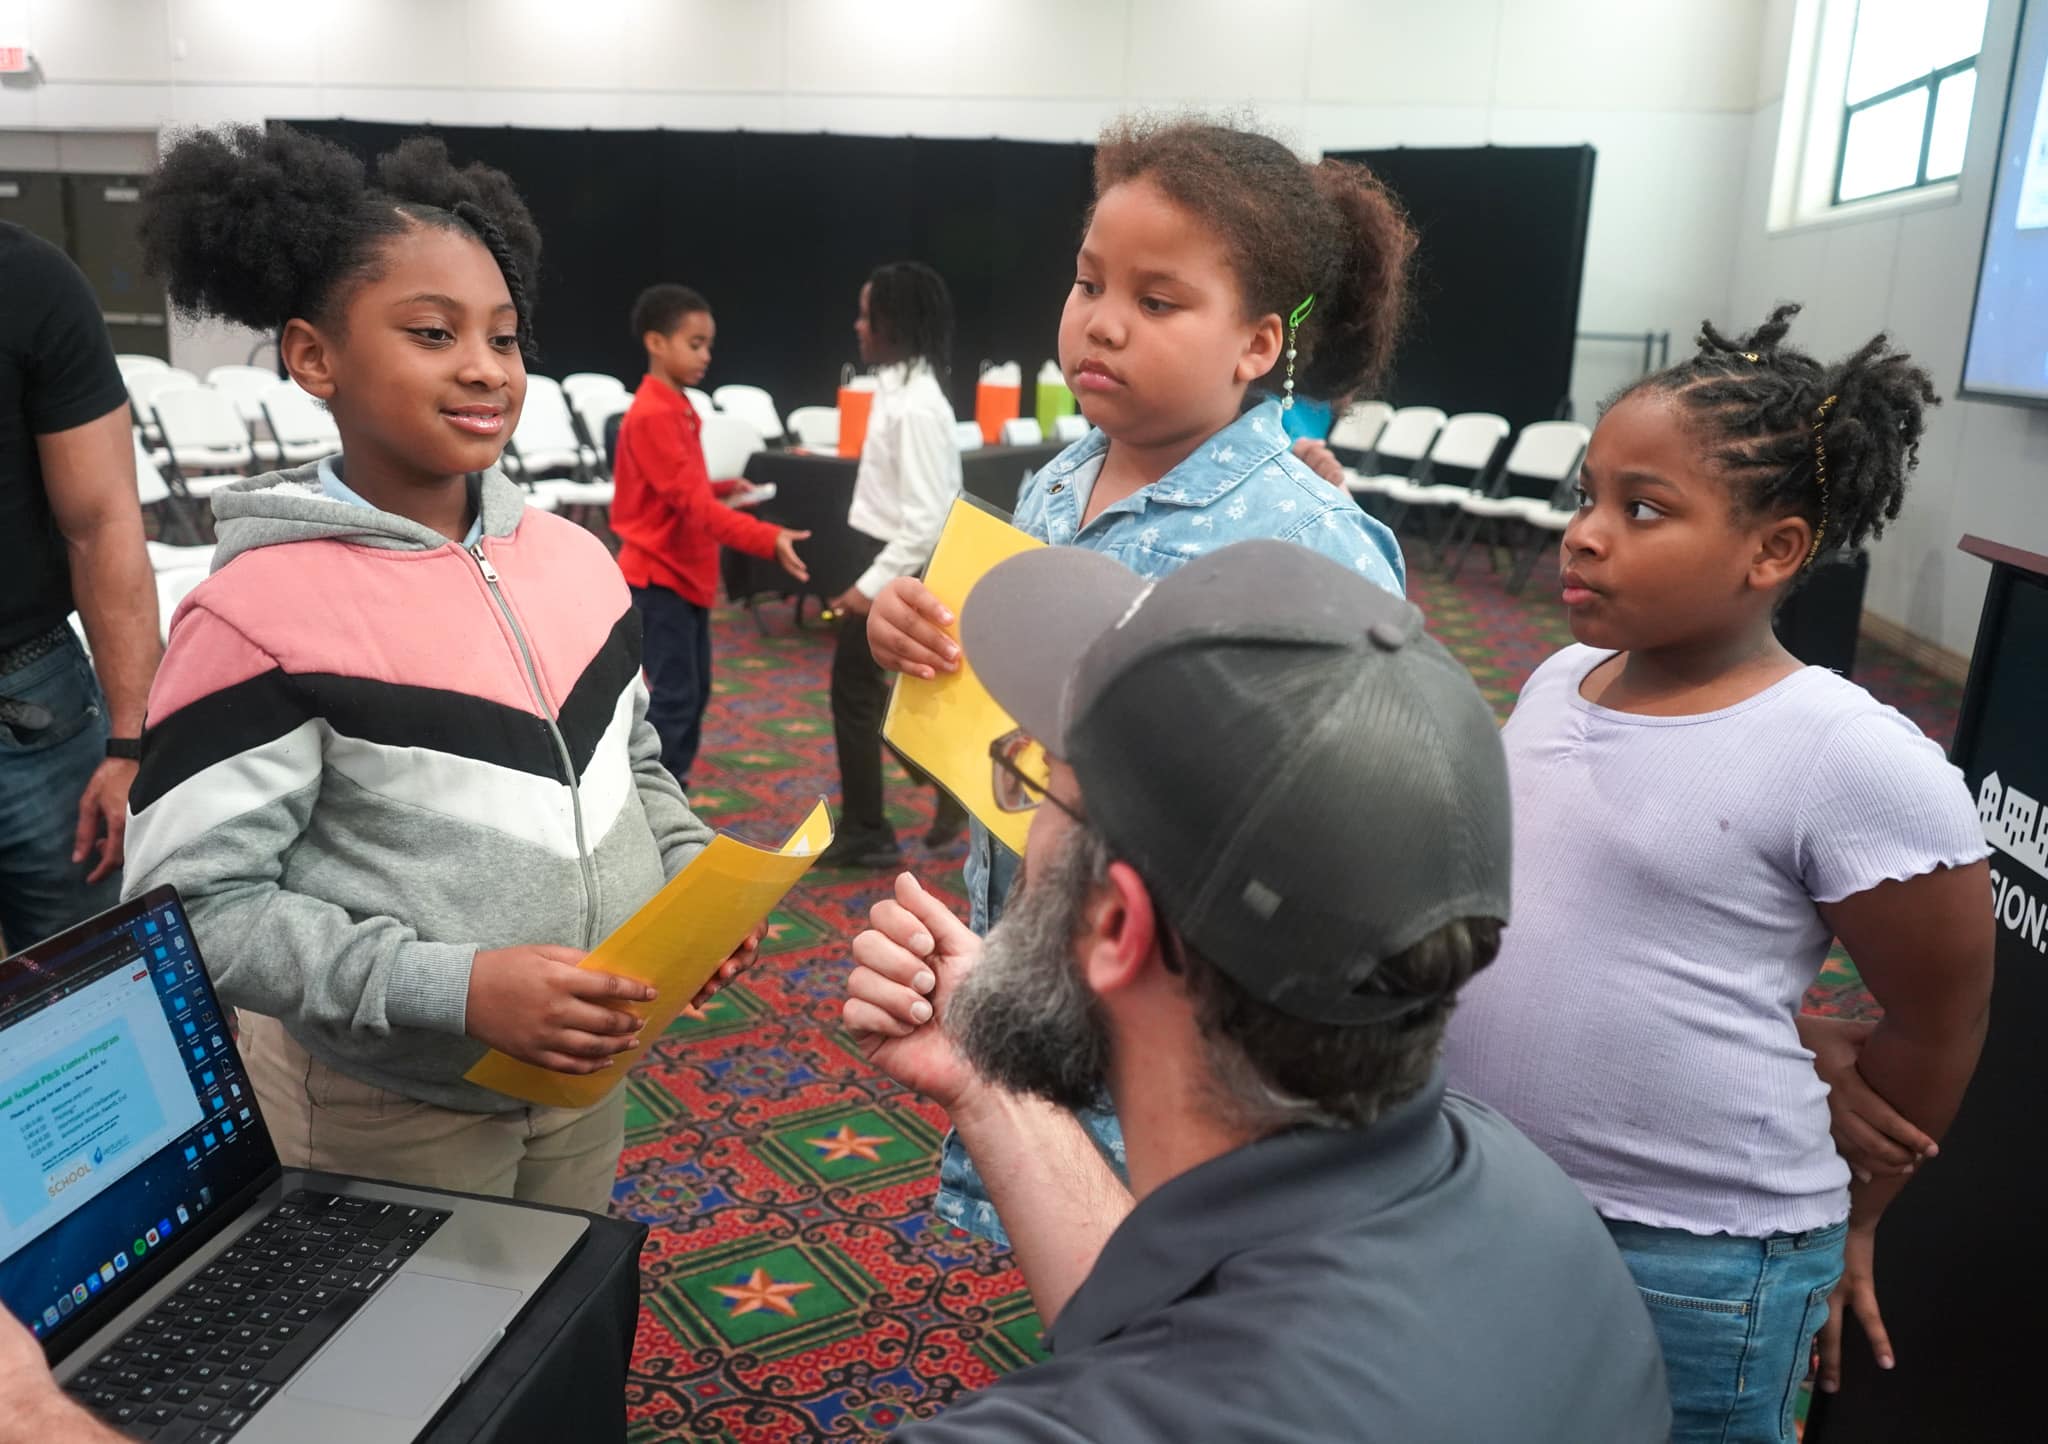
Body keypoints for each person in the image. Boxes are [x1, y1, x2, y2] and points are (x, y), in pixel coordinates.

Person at [843, 539, 1671, 1440]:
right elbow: (1174, 1324)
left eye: (1042, 778)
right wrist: (990, 1085)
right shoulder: (1527, 1199)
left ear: (1118, 927)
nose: (1026, 816)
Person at [121, 125, 757, 1213]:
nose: (482, 367)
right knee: (404, 1378)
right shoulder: (259, 612)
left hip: (580, 1071)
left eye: (505, 339)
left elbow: (633, 763)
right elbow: (198, 905)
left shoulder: (574, 561)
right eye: (431, 331)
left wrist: (694, 874)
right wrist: (454, 989)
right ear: (314, 357)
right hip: (382, 1106)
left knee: (546, 1344)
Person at [1440, 305, 1994, 1444]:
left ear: (1774, 549)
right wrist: (1793, 1029)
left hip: (1694, 1254)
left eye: (1640, 509)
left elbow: (1938, 1017)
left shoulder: (1847, 751)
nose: (1584, 534)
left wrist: (1860, 1209)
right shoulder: (1556, 678)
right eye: (1584, 496)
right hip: (1490, 1192)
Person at [862, 118, 1413, 1242]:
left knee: (1169, 1302)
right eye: (1086, 281)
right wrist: (920, 633)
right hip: (1030, 962)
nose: (1099, 321)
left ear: (1256, 345)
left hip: (1187, 1030)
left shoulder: (1303, 539)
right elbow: (1004, 679)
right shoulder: (1058, 482)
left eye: (1157, 302)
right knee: (1067, 1264)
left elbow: (1368, 821)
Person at [0, 221, 161, 949]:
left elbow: (101, 521)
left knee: (84, 980)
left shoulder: (29, 281)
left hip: (31, 700)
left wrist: (134, 744)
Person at [610, 283, 809, 788]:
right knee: (676, 700)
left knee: (690, 695)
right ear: (657, 343)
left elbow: (681, 488)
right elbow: (694, 507)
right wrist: (768, 539)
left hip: (684, 576)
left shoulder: (675, 404)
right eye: (694, 343)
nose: (706, 355)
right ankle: (656, 803)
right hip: (660, 579)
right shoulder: (653, 412)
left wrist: (723, 486)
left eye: (707, 345)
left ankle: (669, 794)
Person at [815, 261, 969, 870]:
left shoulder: (917, 407)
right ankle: (926, 790)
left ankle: (868, 829)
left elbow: (930, 517)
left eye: (867, 313)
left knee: (853, 694)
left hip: (894, 564)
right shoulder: (897, 389)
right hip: (877, 553)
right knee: (867, 691)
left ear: (893, 322)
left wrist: (867, 588)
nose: (858, 326)